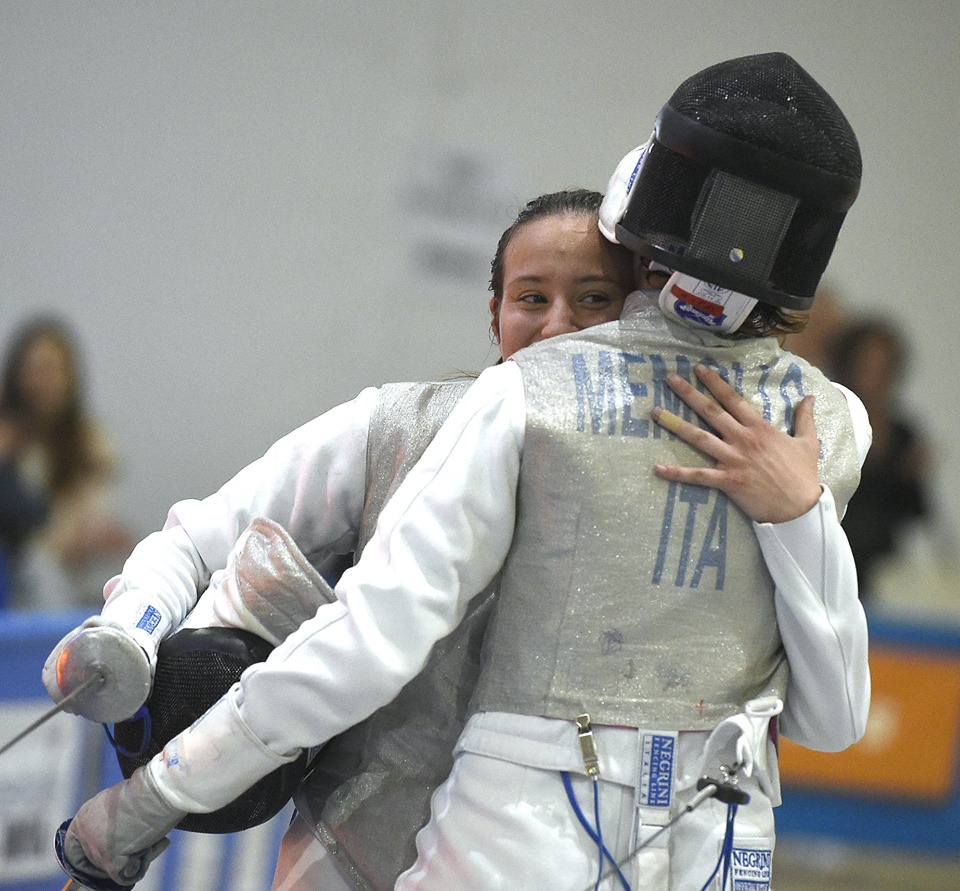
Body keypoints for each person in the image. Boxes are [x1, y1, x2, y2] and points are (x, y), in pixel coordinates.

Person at [53, 52, 871, 891]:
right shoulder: (828, 426)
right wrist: (131, 628)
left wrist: (145, 805)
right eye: (531, 297)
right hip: (482, 837)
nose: (560, 327)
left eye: (592, 298)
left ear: (636, 274)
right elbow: (204, 540)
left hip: (532, 841)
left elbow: (365, 644)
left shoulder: (549, 400)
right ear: (493, 307)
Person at [0, 316, 134, 610]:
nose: (46, 381)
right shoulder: (7, 437)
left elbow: (92, 520)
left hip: (80, 559)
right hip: (22, 562)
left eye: (55, 369)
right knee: (42, 566)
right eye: (36, 369)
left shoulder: (90, 441)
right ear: (16, 375)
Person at [831, 317, 934, 600]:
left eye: (882, 369)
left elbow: (917, 516)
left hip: (883, 580)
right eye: (865, 366)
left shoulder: (904, 434)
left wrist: (915, 476)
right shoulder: (828, 422)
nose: (873, 378)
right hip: (830, 565)